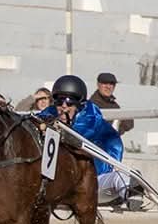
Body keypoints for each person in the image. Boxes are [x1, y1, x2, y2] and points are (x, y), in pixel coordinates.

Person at [38, 74, 134, 206]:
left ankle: (130, 194)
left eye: (70, 101)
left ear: (79, 104)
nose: (64, 106)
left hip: (91, 182)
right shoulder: (48, 114)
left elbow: (115, 144)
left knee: (125, 177)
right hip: (55, 182)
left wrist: (107, 168)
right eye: (59, 101)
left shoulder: (91, 119)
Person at [90, 71, 134, 136]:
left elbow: (129, 123)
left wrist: (117, 129)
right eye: (105, 83)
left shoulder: (114, 105)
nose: (108, 87)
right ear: (98, 84)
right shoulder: (92, 104)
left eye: (111, 84)